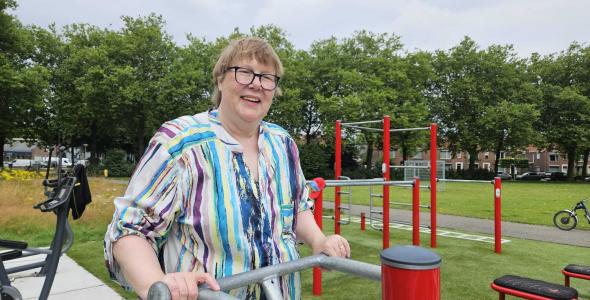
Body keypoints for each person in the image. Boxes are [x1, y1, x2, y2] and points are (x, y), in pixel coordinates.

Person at [104, 37, 350, 300]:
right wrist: (159, 283)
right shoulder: (180, 144)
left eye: (267, 77)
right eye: (244, 72)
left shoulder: (283, 143)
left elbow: (298, 207)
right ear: (220, 80)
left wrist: (318, 240)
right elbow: (129, 231)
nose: (256, 83)